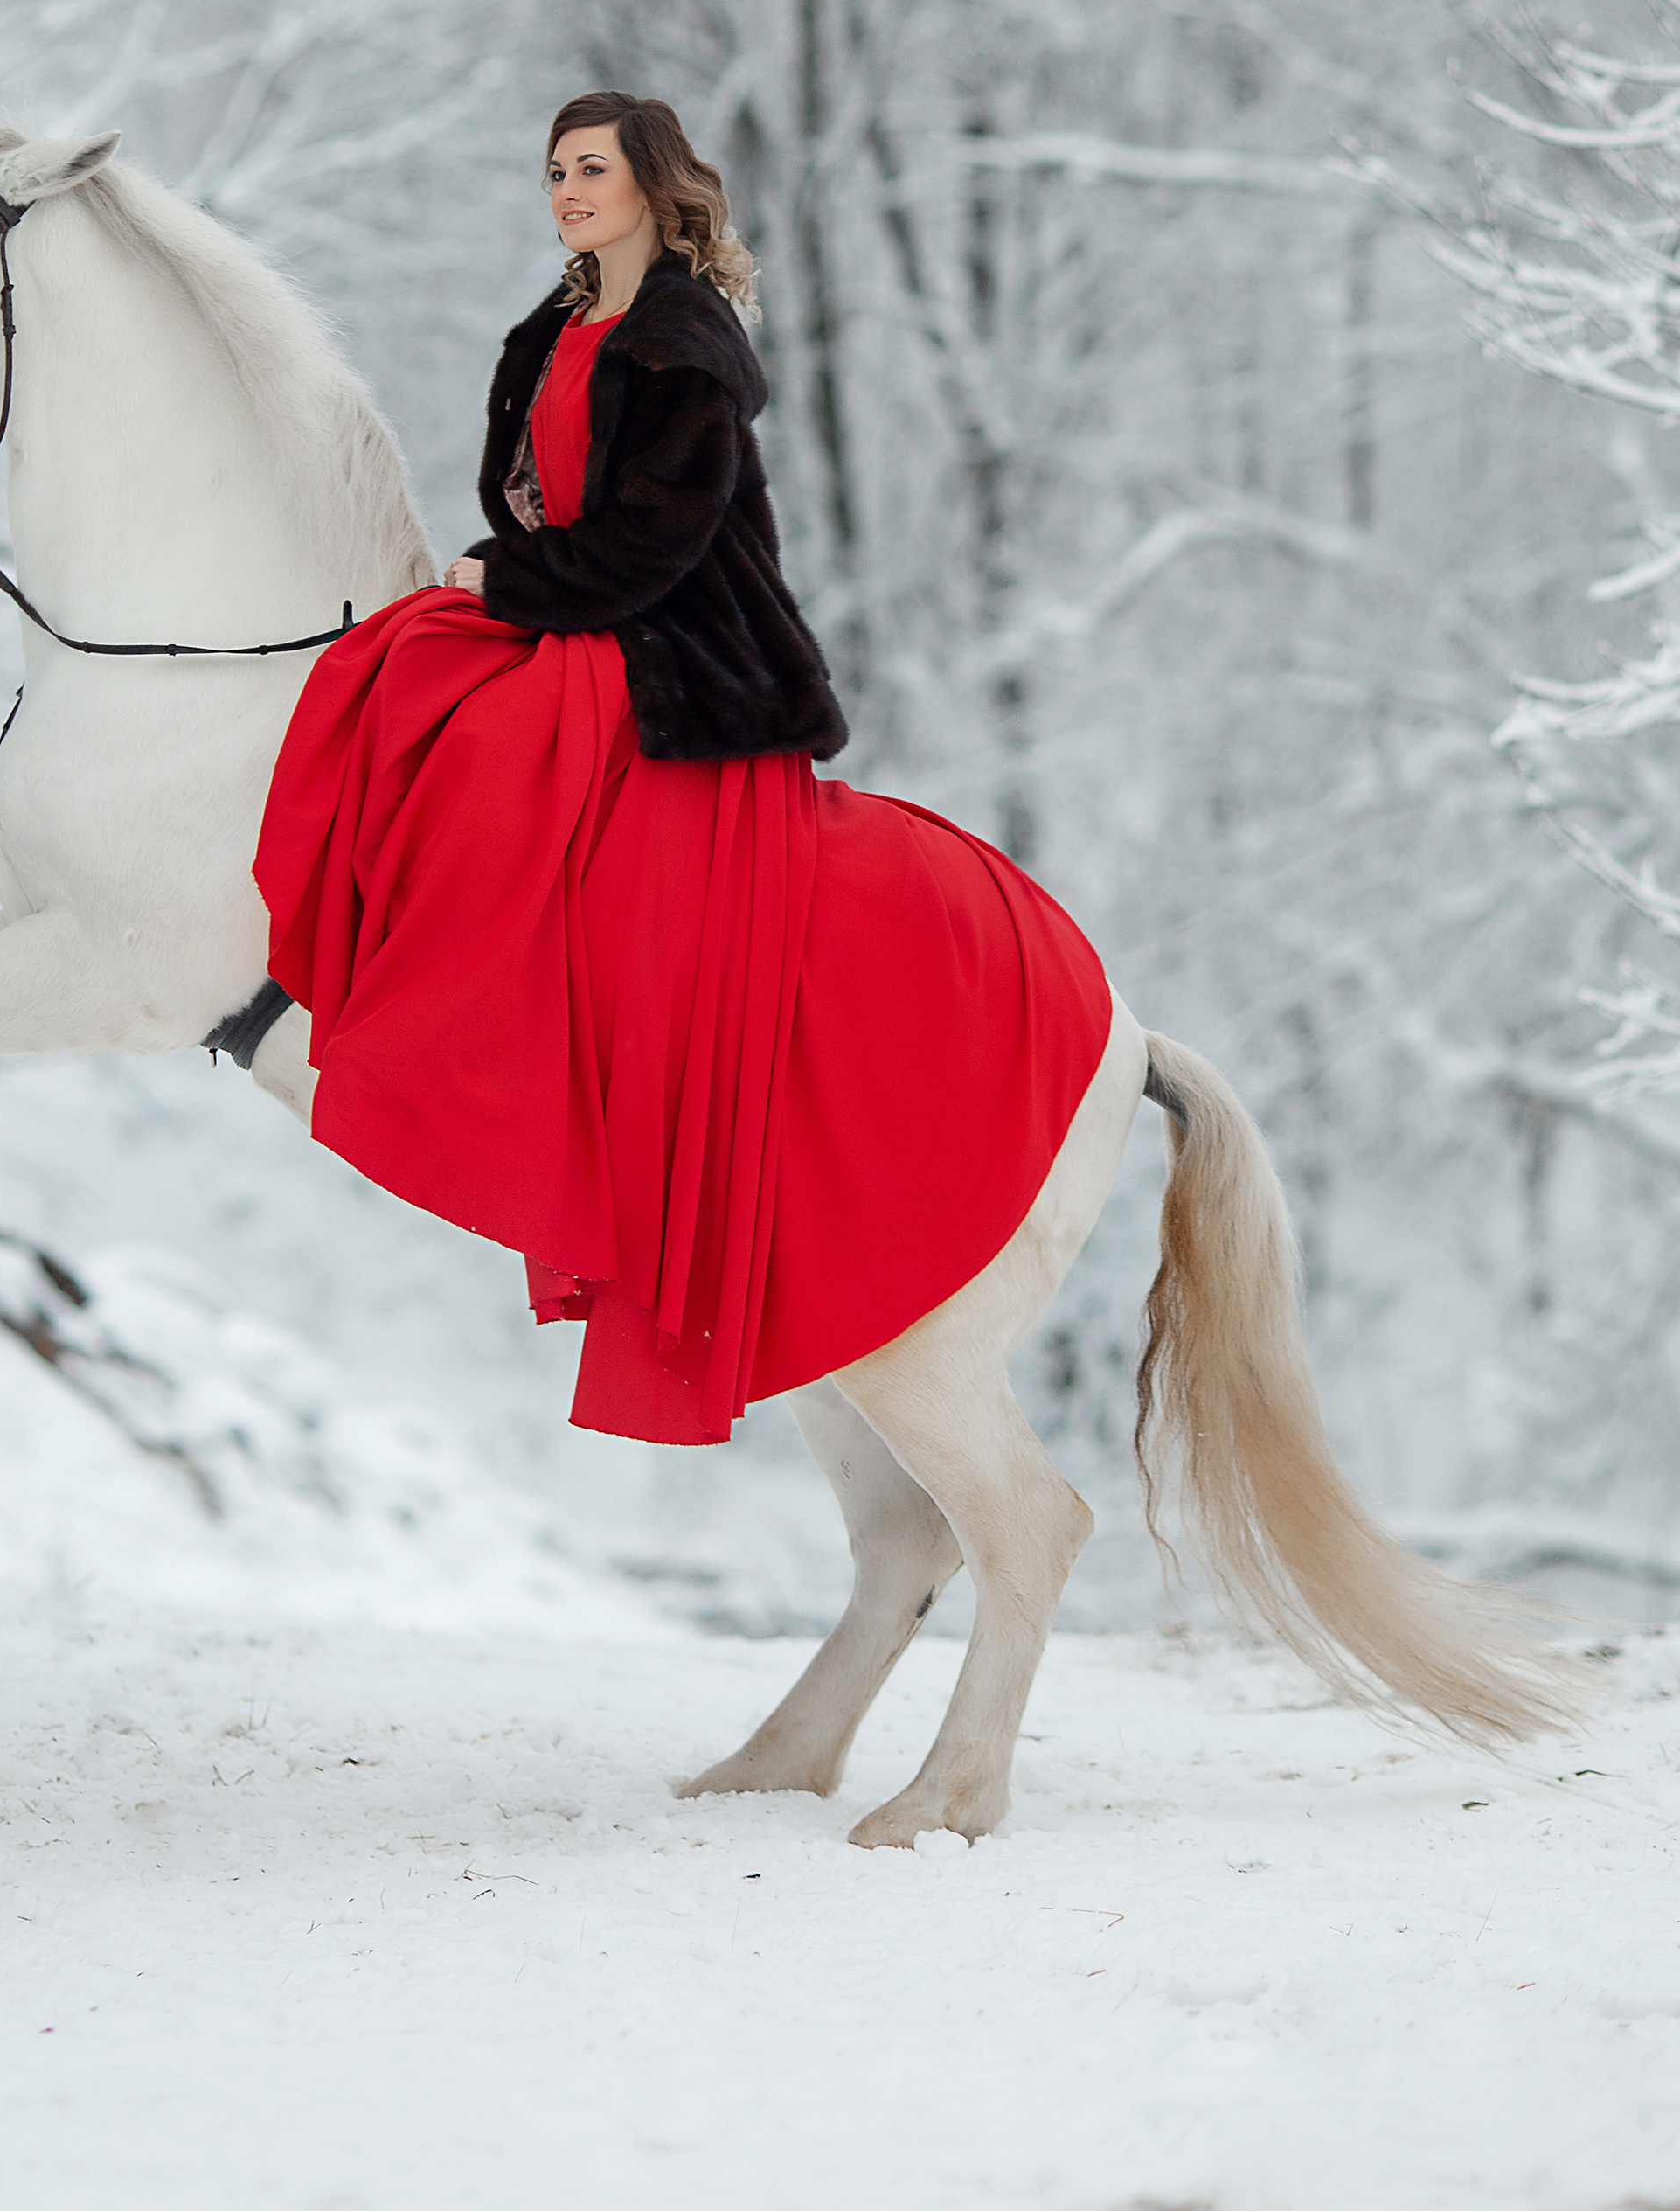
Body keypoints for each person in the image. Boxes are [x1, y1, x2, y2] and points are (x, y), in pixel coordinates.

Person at [255, 93, 1111, 1444]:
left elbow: (650, 546)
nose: (566, 191)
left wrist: (517, 576)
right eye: (552, 171)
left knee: (471, 733)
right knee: (397, 661)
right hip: (584, 615)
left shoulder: (686, 348)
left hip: (675, 654)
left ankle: (468, 1015)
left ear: (654, 184)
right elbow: (525, 498)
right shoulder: (552, 330)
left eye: (591, 168)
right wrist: (508, 570)